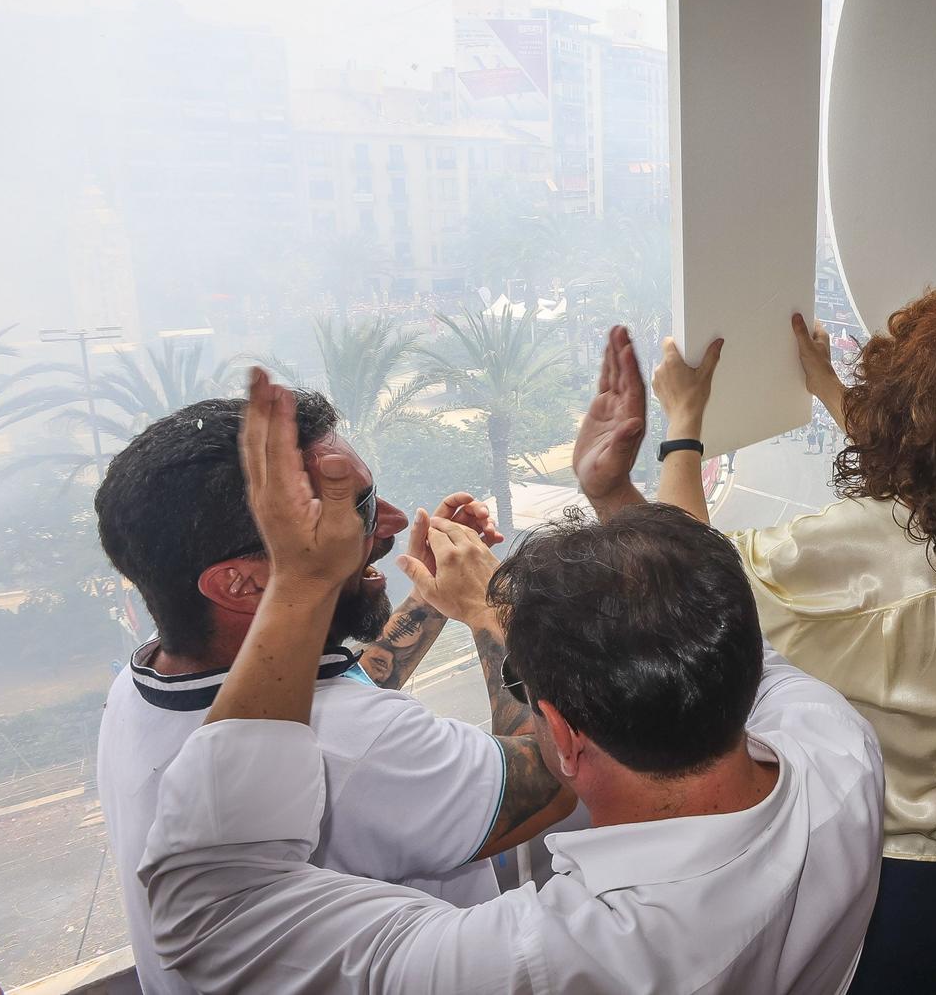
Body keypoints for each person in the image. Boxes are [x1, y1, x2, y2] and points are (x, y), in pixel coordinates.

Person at [138, 370, 887, 995]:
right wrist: (611, 496)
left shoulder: (551, 962)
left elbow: (209, 909)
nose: (386, 521)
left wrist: (303, 582)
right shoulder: (840, 747)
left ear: (561, 731)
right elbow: (718, 631)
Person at [573, 315, 936, 994]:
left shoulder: (847, 556)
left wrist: (683, 424)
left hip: (907, 897)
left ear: (896, 416)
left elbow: (689, 578)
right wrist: (828, 388)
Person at [93, 392, 573, 995]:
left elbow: (333, 697)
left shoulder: (142, 685)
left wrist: (428, 601)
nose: (394, 524)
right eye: (358, 513)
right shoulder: (363, 746)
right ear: (241, 580)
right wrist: (486, 605)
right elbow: (556, 774)